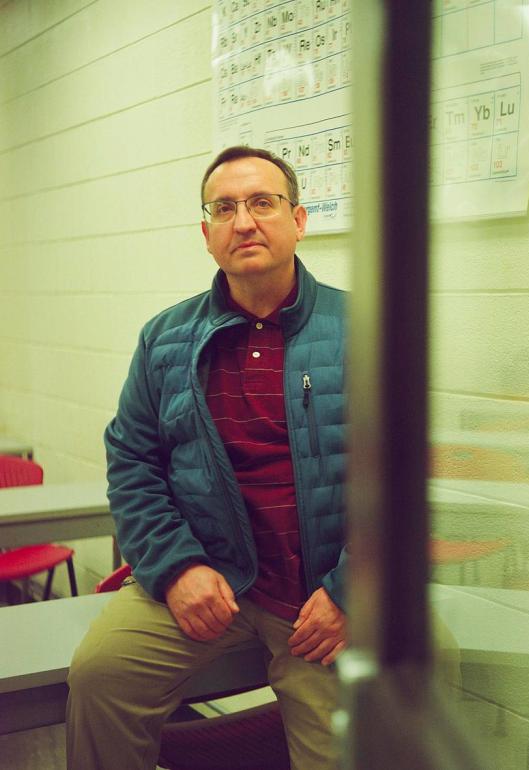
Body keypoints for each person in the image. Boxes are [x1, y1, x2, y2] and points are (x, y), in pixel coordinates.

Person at [66, 146, 348, 770]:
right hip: (209, 575)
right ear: (206, 233)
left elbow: (404, 478)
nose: (243, 221)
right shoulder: (165, 337)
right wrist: (176, 568)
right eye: (225, 208)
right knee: (99, 676)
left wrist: (352, 590)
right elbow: (132, 461)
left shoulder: (361, 328)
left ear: (298, 220)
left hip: (317, 593)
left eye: (262, 203)